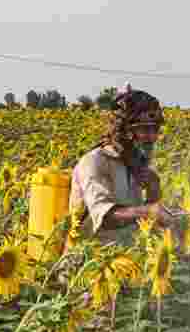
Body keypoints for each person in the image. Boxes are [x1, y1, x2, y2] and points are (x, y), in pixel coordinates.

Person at [69, 84, 177, 247]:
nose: (153, 137)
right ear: (125, 132)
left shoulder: (136, 164)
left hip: (123, 261)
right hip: (85, 262)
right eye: (145, 129)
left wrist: (154, 191)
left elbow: (147, 225)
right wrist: (148, 211)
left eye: (155, 130)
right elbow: (103, 217)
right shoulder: (94, 162)